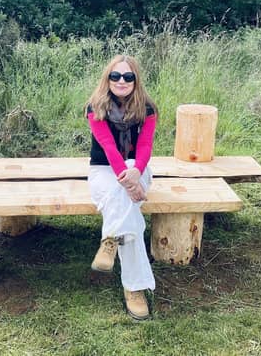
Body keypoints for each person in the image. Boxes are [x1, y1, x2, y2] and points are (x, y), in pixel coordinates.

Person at [86, 54, 158, 320]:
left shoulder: (148, 109)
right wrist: (130, 183)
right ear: (108, 78)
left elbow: (145, 147)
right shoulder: (95, 107)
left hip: (138, 168)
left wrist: (136, 173)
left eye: (128, 76)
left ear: (136, 80)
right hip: (104, 170)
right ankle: (134, 289)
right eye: (115, 76)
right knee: (128, 208)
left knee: (123, 200)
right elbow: (108, 147)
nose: (121, 81)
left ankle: (111, 239)